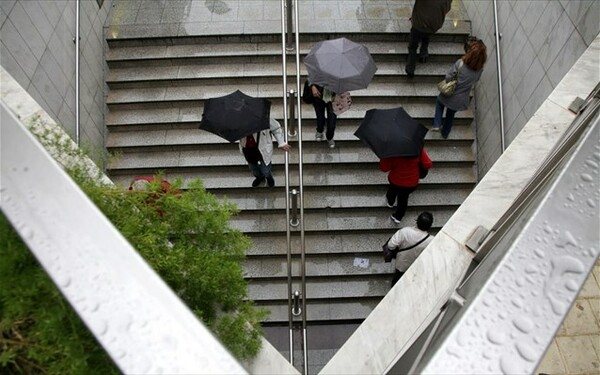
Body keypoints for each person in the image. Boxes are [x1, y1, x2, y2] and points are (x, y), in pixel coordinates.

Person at [433, 39, 487, 139]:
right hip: (461, 99)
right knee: (450, 115)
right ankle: (445, 133)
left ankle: (437, 124)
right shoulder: (479, 70)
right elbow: (476, 80)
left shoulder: (460, 63)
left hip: (449, 93)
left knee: (439, 103)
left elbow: (448, 77)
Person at [379, 147, 432, 223]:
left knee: (392, 191)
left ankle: (390, 203)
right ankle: (398, 217)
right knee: (403, 199)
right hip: (411, 183)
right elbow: (428, 164)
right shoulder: (417, 147)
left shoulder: (393, 150)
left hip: (395, 180)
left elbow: (384, 168)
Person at [239, 118, 291, 187]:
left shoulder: (264, 118)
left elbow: (276, 129)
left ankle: (269, 178)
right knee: (253, 169)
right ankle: (259, 177)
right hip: (247, 150)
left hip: (262, 150)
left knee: (266, 170)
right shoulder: (238, 122)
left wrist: (281, 142)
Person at [405, 0, 452, 78]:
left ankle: (410, 68)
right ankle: (423, 53)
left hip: (419, 24)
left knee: (413, 46)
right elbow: (447, 9)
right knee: (426, 35)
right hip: (434, 25)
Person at [388, 211, 435, 287]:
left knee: (397, 283)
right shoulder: (432, 241)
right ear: (430, 226)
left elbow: (391, 245)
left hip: (401, 265)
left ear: (417, 221)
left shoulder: (405, 232)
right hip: (416, 269)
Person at [309, 81, 337, 148]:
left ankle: (329, 137)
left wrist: (338, 94)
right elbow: (311, 76)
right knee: (320, 117)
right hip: (318, 95)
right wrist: (313, 86)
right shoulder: (319, 69)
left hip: (333, 98)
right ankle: (320, 130)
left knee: (332, 123)